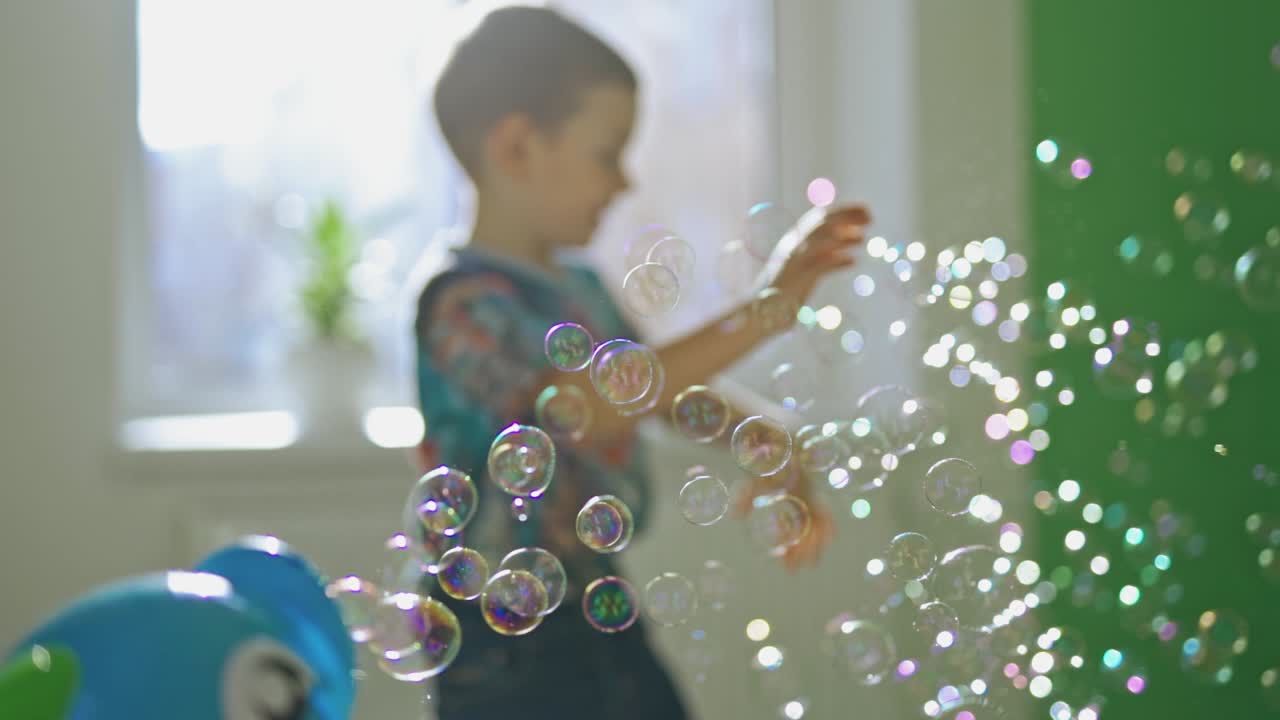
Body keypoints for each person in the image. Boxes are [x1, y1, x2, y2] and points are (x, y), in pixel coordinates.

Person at [411, 4, 870, 718]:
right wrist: (766, 310)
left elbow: (660, 389)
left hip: (594, 610)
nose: (624, 182)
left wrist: (766, 434)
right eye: (608, 154)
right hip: (500, 646)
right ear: (517, 147)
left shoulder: (582, 288)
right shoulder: (461, 305)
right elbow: (586, 406)